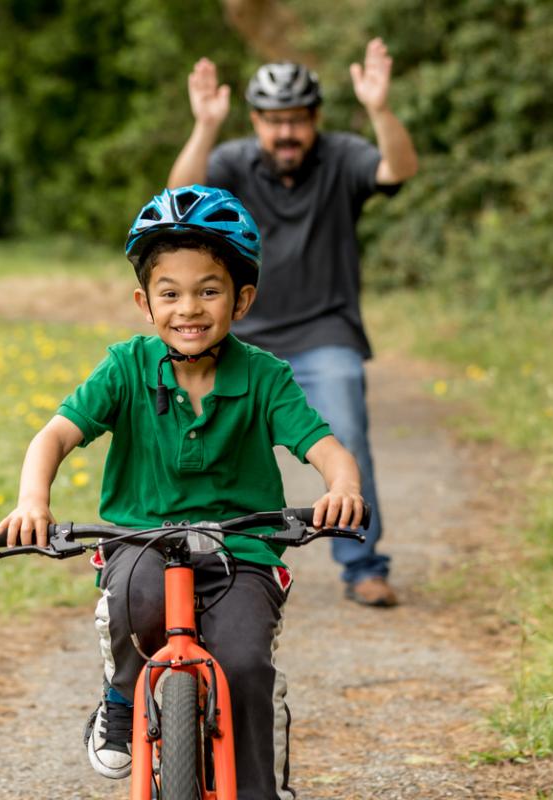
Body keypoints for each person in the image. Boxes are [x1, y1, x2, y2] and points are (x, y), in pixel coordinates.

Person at [0, 185, 365, 799]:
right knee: (131, 604)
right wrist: (33, 500)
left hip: (242, 552)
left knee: (245, 663)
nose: (188, 308)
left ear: (242, 299)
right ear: (145, 302)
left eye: (209, 290)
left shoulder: (265, 376)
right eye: (170, 293)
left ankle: (257, 788)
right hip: (140, 542)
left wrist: (343, 486)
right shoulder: (125, 368)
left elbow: (325, 447)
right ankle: (121, 696)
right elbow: (54, 437)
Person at [166, 39, 419, 607]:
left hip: (325, 332)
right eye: (275, 121)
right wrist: (205, 126)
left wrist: (379, 108)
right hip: (241, 337)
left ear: (315, 121)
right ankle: (211, 562)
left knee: (347, 439)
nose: (286, 133)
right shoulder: (232, 161)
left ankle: (361, 564)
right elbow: (178, 194)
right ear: (255, 120)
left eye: (298, 121)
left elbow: (398, 168)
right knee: (207, 444)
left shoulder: (343, 156)